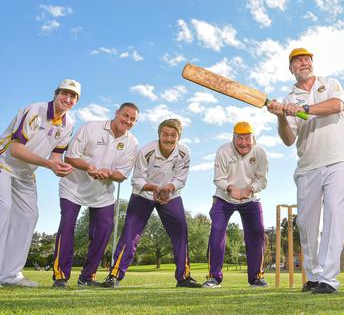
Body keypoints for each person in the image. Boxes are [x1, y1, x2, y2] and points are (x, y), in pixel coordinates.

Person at [267, 48, 344, 294]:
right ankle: (314, 275)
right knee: (306, 223)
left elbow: (337, 105)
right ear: (291, 68)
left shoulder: (330, 83)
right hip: (308, 164)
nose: (303, 63)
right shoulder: (288, 98)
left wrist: (302, 108)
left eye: (307, 59)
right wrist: (282, 116)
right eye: (298, 61)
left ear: (312, 64)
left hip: (338, 158)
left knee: (335, 216)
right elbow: (288, 139)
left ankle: (328, 279)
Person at [101, 119, 201, 288]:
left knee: (181, 232)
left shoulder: (184, 152)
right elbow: (137, 180)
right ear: (159, 135)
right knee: (130, 234)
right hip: (144, 193)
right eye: (165, 134)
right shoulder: (146, 150)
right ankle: (114, 275)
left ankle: (183, 277)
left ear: (179, 136)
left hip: (171, 195)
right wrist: (153, 187)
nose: (169, 139)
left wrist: (168, 188)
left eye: (173, 135)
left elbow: (180, 179)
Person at [0, 79, 80, 287]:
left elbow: (56, 157)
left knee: (29, 216)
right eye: (65, 93)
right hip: (3, 164)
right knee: (3, 207)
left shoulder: (68, 124)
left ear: (76, 101)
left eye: (73, 96)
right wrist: (49, 165)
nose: (68, 99)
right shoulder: (35, 110)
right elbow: (15, 150)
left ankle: (10, 275)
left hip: (26, 174)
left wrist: (59, 168)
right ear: (56, 94)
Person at [51, 102, 139, 287]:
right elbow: (70, 157)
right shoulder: (91, 127)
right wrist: (88, 167)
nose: (128, 121)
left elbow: (121, 175)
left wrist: (108, 173)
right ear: (116, 113)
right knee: (67, 225)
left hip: (102, 193)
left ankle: (87, 277)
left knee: (105, 229)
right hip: (73, 188)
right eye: (125, 115)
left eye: (133, 119)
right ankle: (60, 276)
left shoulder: (132, 142)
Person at [202, 121, 269, 288]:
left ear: (254, 139)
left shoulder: (260, 153)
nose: (243, 143)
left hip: (251, 198)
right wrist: (231, 188)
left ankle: (256, 277)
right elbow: (219, 178)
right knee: (217, 231)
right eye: (240, 138)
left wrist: (250, 189)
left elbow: (262, 180)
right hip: (224, 198)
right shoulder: (223, 151)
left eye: (248, 138)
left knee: (257, 233)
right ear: (233, 137)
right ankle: (214, 277)